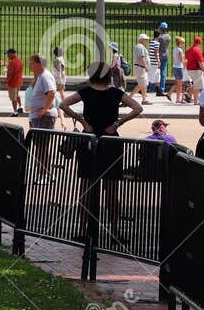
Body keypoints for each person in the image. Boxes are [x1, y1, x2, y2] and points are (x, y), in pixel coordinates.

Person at [59, 61, 144, 243]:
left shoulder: (85, 92)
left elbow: (63, 104)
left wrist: (81, 120)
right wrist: (117, 123)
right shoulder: (115, 93)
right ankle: (114, 231)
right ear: (108, 75)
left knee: (86, 188)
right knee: (111, 189)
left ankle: (84, 229)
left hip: (89, 139)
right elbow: (138, 108)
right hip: (110, 140)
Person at [4, 48, 24, 116]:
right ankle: (20, 107)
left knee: (13, 98)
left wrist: (7, 81)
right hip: (19, 81)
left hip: (12, 82)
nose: (7, 55)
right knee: (17, 94)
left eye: (8, 54)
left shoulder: (12, 62)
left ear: (12, 53)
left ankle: (15, 112)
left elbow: (10, 73)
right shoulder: (20, 60)